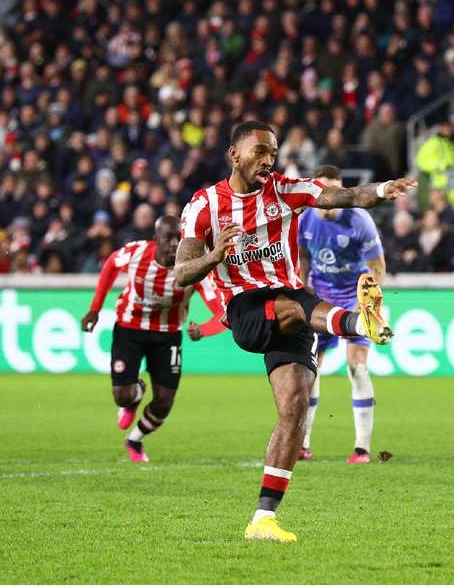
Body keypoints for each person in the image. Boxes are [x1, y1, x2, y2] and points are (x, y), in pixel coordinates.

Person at [175, 121, 413, 543]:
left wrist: (380, 190)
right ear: (234, 155)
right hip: (246, 307)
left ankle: (263, 519)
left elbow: (342, 195)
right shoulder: (204, 206)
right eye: (260, 152)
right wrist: (215, 254)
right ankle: (359, 322)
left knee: (295, 409)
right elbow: (181, 273)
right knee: (297, 303)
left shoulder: (285, 191)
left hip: (292, 310)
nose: (269, 160)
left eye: (274, 152)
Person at [80, 216, 226, 464]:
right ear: (155, 239)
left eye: (178, 238)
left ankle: (134, 439)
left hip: (167, 335)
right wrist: (95, 309)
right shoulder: (137, 253)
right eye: (167, 238)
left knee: (164, 403)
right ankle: (136, 395)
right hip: (130, 329)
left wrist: (204, 330)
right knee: (122, 396)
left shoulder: (194, 269)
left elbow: (223, 313)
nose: (173, 244)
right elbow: (110, 266)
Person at [297, 165, 387, 464]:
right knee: (310, 368)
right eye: (325, 191)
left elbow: (377, 265)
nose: (331, 197)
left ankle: (362, 448)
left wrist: (371, 299)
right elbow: (303, 256)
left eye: (335, 190)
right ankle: (303, 444)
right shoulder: (304, 218)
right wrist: (302, 286)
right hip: (320, 296)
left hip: (354, 296)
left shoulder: (359, 219)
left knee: (357, 367)